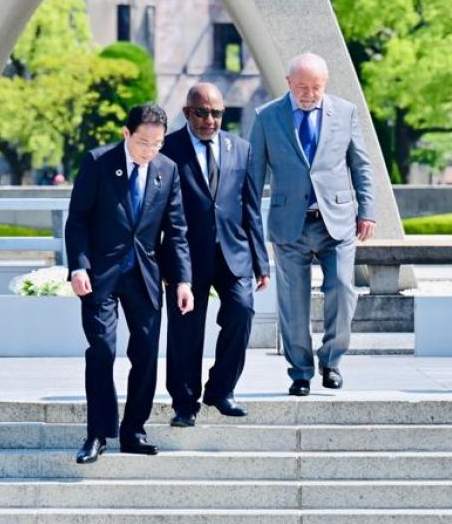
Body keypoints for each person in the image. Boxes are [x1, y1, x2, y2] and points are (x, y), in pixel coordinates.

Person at [66, 103, 192, 464]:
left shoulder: (167, 170)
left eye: (156, 144)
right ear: (126, 133)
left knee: (147, 353)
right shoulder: (98, 162)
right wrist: (78, 266)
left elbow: (177, 230)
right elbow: (78, 221)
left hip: (146, 275)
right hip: (100, 276)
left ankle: (134, 429)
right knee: (102, 350)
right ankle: (97, 434)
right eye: (142, 143)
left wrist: (182, 280)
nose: (149, 151)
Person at [249, 52, 376, 396]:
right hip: (290, 223)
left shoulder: (346, 112)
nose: (308, 93)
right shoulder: (266, 117)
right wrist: (248, 229)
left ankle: (332, 360)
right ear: (289, 82)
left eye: (315, 87)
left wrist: (368, 209)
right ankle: (301, 371)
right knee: (293, 301)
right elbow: (253, 175)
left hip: (336, 221)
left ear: (325, 84)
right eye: (302, 86)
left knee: (342, 290)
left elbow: (361, 165)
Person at [159, 83, 268, 425]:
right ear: (187, 112)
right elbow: (157, 209)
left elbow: (250, 208)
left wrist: (261, 261)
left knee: (242, 310)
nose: (210, 120)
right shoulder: (169, 149)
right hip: (186, 256)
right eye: (203, 112)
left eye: (217, 113)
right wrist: (162, 262)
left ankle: (221, 390)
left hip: (233, 252)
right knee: (185, 331)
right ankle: (184, 404)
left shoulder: (242, 149)